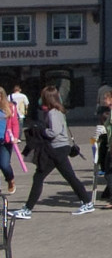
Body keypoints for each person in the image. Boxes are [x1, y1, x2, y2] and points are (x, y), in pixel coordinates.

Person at [14, 85, 94, 218]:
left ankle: (27, 209)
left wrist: (41, 130)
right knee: (69, 176)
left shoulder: (52, 112)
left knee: (39, 176)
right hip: (61, 148)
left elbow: (54, 132)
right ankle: (87, 202)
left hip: (56, 149)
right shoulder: (57, 111)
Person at [0, 88, 19, 194]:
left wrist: (15, 137)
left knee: (4, 164)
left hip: (5, 141)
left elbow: (15, 123)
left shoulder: (10, 107)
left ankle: (10, 179)